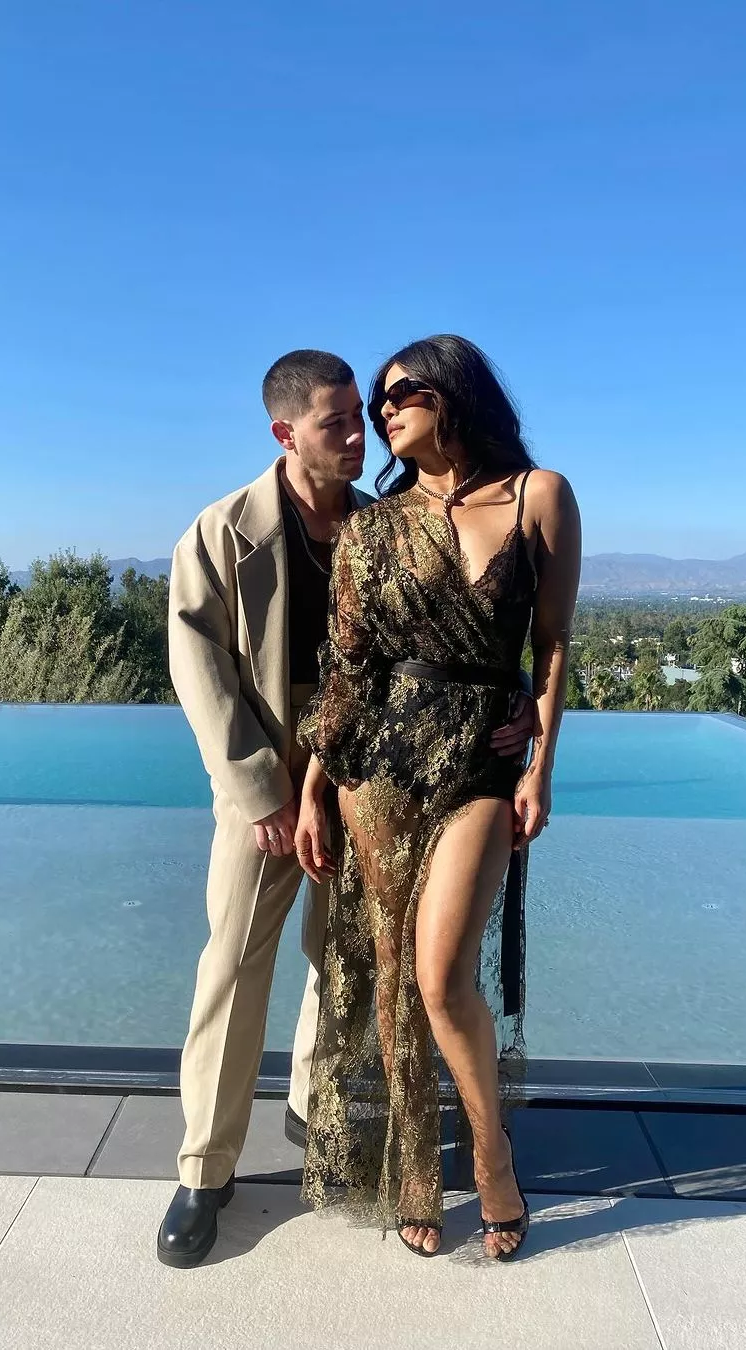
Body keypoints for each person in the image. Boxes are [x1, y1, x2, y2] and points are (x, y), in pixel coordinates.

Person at [158, 348, 536, 1268]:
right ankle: (205, 1169)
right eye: (336, 424)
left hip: (372, 765)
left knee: (348, 956)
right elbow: (198, 671)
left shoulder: (384, 520)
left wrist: (517, 693)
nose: (359, 437)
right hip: (268, 760)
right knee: (234, 961)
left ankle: (313, 1112)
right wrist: (262, 792)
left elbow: (458, 632)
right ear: (286, 433)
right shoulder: (222, 532)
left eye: (359, 419)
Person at [295, 334, 581, 1260]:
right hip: (378, 767)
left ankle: (492, 1156)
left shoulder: (540, 495)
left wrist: (540, 762)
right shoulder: (373, 527)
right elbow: (348, 669)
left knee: (442, 975)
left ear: (453, 393)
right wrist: (315, 787)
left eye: (401, 392)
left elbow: (551, 642)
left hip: (481, 764)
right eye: (378, 401)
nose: (384, 411)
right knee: (391, 973)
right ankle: (417, 1169)